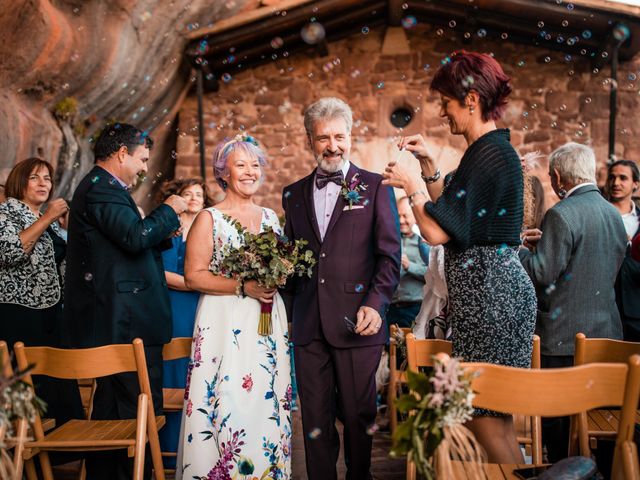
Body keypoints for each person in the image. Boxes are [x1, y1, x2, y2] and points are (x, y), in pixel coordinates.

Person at [382, 51, 536, 464]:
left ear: (471, 100)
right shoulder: (486, 151)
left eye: (446, 104)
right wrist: (430, 167)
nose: (442, 114)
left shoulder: (488, 154)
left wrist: (411, 185)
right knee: (491, 416)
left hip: (492, 299)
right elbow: (453, 219)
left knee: (484, 420)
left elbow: (434, 231)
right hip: (487, 297)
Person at [282, 97, 400, 479]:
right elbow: (295, 260)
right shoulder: (293, 194)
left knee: (358, 416)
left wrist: (375, 304)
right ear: (309, 140)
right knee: (314, 422)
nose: (332, 146)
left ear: (350, 136)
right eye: (322, 138)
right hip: (309, 324)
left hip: (357, 323)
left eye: (339, 136)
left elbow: (390, 257)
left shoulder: (376, 186)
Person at [64, 123, 187, 480]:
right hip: (125, 323)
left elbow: (121, 246)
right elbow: (134, 237)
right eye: (142, 159)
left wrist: (163, 231)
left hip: (123, 319)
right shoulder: (102, 189)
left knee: (115, 410)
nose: (145, 167)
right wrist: (169, 209)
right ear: (122, 154)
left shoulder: (105, 189)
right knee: (135, 411)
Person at [176, 135, 291, 479]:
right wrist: (245, 286)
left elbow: (279, 263)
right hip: (224, 320)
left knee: (266, 399)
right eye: (240, 165)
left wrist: (277, 277)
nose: (249, 172)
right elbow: (194, 276)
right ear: (223, 173)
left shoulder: (270, 216)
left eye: (255, 165)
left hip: (268, 319)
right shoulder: (209, 218)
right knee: (225, 399)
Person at [520, 142, 627, 462]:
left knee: (558, 423)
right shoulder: (613, 214)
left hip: (562, 338)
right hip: (606, 335)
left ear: (556, 176)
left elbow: (542, 273)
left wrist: (522, 251)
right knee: (601, 418)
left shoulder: (561, 214)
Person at [0, 157, 83, 430]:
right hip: (18, 316)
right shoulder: (5, 214)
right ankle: (19, 461)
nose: (43, 183)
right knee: (24, 391)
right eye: (34, 177)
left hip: (49, 315)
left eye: (47, 178)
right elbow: (10, 253)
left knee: (54, 390)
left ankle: (51, 460)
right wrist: (48, 217)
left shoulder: (45, 223)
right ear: (18, 182)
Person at [156, 178, 212, 468]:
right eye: (187, 194)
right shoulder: (167, 230)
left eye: (198, 194)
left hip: (204, 306)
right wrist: (196, 283)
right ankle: (168, 450)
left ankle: (199, 451)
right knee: (174, 368)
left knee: (199, 368)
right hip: (175, 305)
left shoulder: (212, 229)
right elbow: (160, 273)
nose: (193, 198)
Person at [607, 160, 640, 341]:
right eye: (612, 177)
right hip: (605, 310)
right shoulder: (600, 216)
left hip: (637, 310)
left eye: (623, 178)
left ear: (635, 184)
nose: (616, 182)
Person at [386, 196, 428, 329]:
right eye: (398, 216)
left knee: (411, 348)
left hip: (415, 308)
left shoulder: (426, 241)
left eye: (405, 216)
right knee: (390, 348)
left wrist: (409, 266)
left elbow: (434, 274)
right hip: (390, 308)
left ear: (415, 216)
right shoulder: (389, 240)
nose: (401, 220)